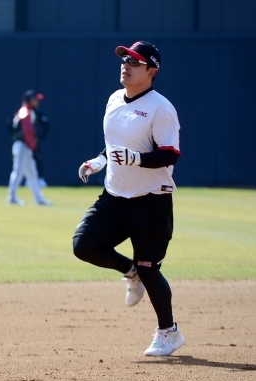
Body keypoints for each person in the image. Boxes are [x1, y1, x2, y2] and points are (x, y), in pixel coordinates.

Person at [72, 41, 183, 357]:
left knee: (150, 268)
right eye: (124, 59)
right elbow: (115, 145)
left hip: (151, 203)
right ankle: (128, 270)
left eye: (135, 61)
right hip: (115, 197)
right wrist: (99, 161)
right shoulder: (113, 99)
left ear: (151, 70)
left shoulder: (161, 108)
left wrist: (134, 158)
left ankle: (168, 333)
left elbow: (169, 154)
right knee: (84, 245)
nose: (126, 65)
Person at [6, 90, 51, 206]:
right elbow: (27, 131)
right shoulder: (25, 111)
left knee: (32, 173)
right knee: (18, 172)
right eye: (35, 99)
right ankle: (11, 197)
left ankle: (38, 198)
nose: (37, 102)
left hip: (25, 146)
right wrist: (33, 145)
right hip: (22, 146)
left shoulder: (26, 111)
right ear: (29, 100)